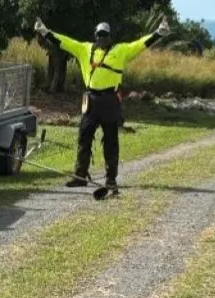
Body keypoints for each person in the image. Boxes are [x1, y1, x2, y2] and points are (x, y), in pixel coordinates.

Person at [34, 16, 170, 193]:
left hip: (110, 100)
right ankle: (80, 176)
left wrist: (158, 34)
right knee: (84, 137)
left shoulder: (121, 51)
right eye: (99, 35)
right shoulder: (85, 49)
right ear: (95, 36)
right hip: (91, 99)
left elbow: (140, 44)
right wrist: (45, 32)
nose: (101, 38)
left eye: (105, 35)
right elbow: (64, 42)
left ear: (110, 36)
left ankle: (111, 179)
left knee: (111, 141)